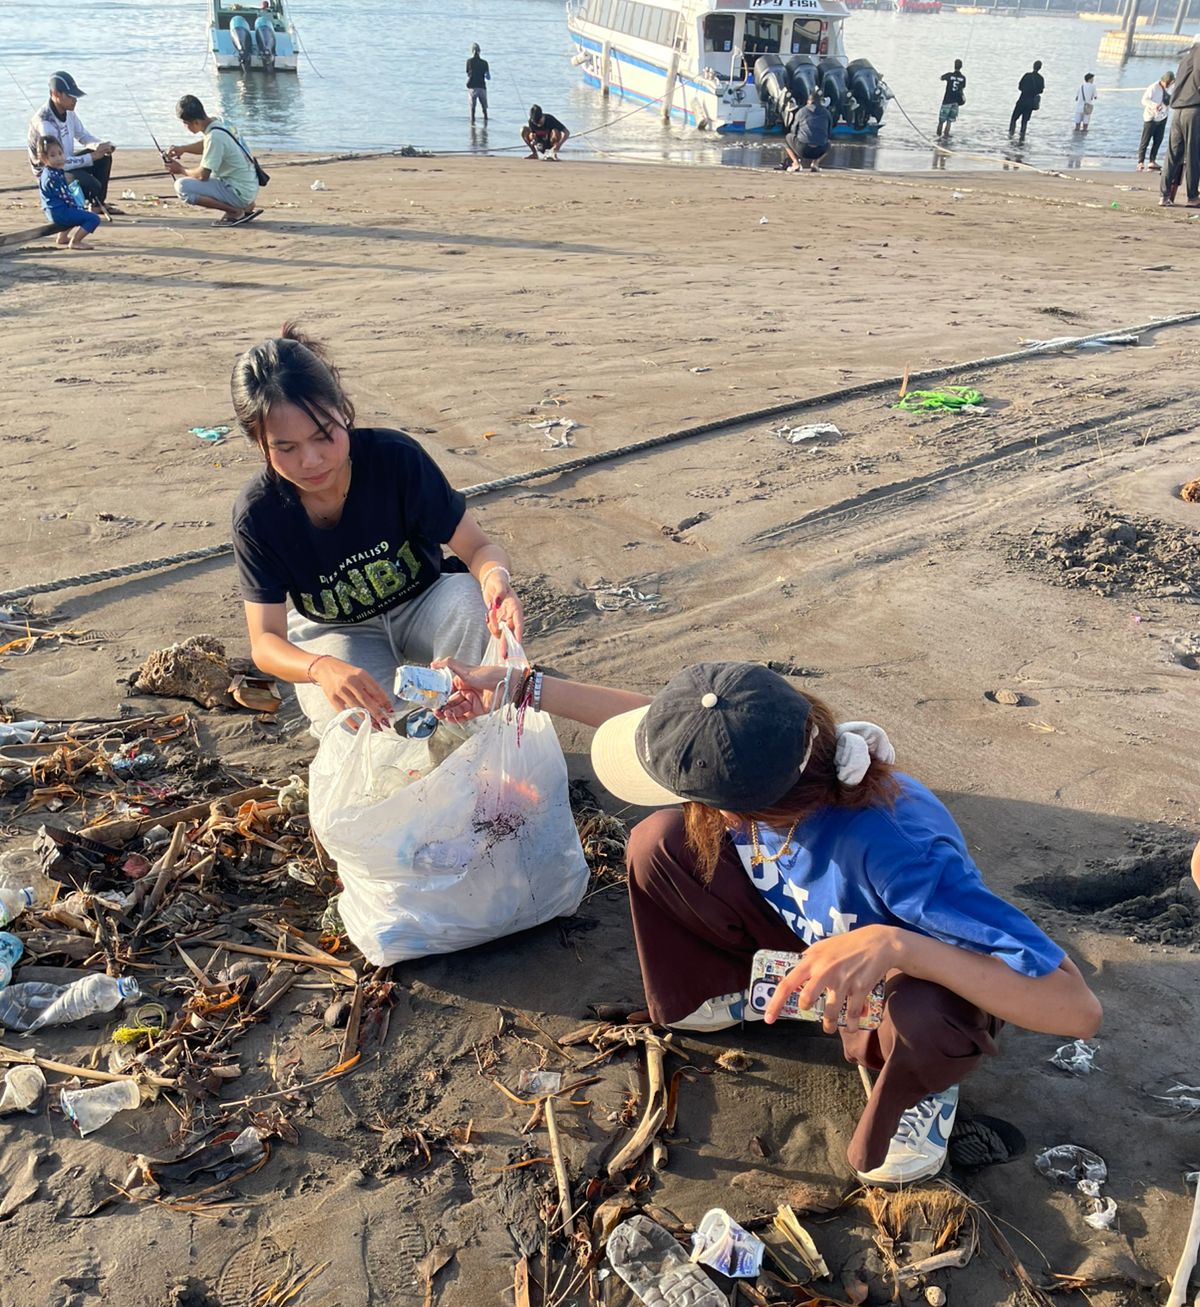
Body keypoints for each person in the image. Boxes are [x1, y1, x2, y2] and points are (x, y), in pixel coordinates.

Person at [435, 659, 1102, 1186]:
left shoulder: (902, 854)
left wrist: (901, 946)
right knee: (659, 842)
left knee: (930, 1013)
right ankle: (726, 992)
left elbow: (1077, 1009)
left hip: (898, 973)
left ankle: (916, 1084)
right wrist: (519, 685)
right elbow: (660, 729)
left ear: (743, 806)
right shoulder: (766, 754)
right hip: (810, 929)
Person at [229, 325, 524, 737]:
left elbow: (478, 548)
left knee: (469, 600)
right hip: (336, 632)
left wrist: (498, 582)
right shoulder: (257, 515)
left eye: (323, 435)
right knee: (360, 725)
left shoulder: (395, 460)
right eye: (286, 448)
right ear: (260, 444)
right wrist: (320, 667)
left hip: (424, 602)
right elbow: (266, 642)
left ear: (343, 412)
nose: (311, 461)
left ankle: (468, 730)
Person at [26, 72, 116, 216]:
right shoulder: (45, 123)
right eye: (70, 96)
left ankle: (97, 205)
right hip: (51, 171)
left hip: (65, 160)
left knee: (104, 157)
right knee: (91, 184)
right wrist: (91, 157)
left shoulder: (69, 111)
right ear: (56, 94)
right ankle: (77, 205)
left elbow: (82, 135)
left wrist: (100, 146)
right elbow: (57, 162)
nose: (75, 100)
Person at [165, 95, 262, 226]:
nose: (184, 126)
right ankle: (246, 205)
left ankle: (235, 211)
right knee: (215, 170)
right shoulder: (220, 123)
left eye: (185, 123)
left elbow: (202, 175)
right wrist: (183, 149)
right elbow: (207, 144)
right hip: (249, 186)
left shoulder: (214, 137)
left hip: (239, 191)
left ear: (196, 122)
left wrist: (180, 169)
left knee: (182, 187)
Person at [35, 135, 103, 252]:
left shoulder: (54, 171)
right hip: (59, 213)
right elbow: (63, 195)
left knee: (76, 210)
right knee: (93, 219)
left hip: (55, 210)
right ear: (44, 159)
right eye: (52, 155)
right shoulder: (51, 177)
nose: (58, 158)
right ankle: (76, 241)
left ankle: (62, 237)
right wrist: (77, 206)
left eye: (60, 153)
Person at [1161, 37, 1200, 206]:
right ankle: (1192, 196)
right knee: (1193, 154)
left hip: (1178, 110)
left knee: (1173, 154)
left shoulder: (1185, 58)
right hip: (1193, 109)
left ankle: (1164, 195)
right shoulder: (1199, 53)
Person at [781, 92, 831, 172]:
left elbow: (793, 130)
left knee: (787, 137)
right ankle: (815, 163)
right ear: (820, 102)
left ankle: (796, 163)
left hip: (803, 149)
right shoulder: (826, 113)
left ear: (808, 101)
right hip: (820, 150)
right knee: (828, 143)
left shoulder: (802, 111)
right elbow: (829, 132)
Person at [1138, 70, 1174, 171]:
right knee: (1145, 139)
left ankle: (1152, 160)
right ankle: (1140, 162)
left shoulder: (1171, 88)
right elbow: (1144, 100)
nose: (1169, 85)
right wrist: (1154, 105)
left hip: (1163, 117)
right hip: (1151, 117)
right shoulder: (1153, 87)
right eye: (1168, 82)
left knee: (1158, 140)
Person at [1009, 60, 1045, 142]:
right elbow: (1041, 91)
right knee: (1024, 122)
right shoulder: (1041, 79)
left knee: (1014, 119)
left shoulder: (1027, 75)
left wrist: (1026, 90)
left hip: (1022, 100)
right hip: (1031, 102)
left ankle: (1011, 135)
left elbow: (1020, 87)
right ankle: (1022, 138)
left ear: (1033, 66)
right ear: (1040, 68)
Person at [936, 59, 966, 140]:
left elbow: (941, 78)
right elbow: (962, 88)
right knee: (949, 121)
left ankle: (938, 137)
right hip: (956, 102)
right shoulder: (963, 78)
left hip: (947, 101)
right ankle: (946, 138)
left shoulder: (949, 75)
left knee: (941, 121)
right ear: (961, 67)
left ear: (954, 66)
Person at [466, 44, 490, 125]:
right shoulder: (485, 63)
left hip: (472, 87)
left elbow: (468, 73)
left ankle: (472, 125)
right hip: (482, 87)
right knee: (484, 109)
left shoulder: (469, 61)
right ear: (479, 51)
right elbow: (488, 77)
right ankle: (486, 123)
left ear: (472, 51)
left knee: (473, 108)